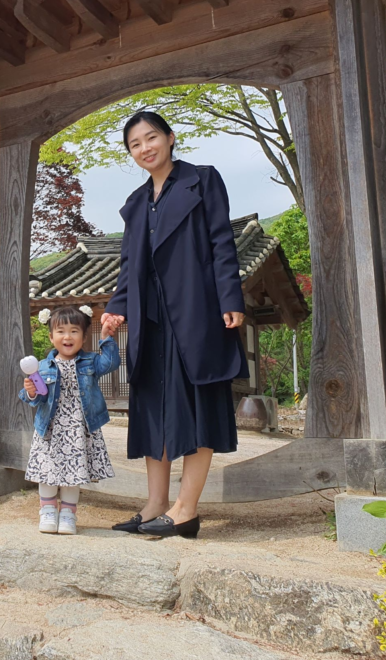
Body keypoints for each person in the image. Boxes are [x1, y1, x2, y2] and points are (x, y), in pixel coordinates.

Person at [101, 111, 247, 540]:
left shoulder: (201, 180)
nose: (145, 148)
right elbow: (130, 266)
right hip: (151, 320)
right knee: (153, 409)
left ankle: (186, 509)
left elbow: (222, 240)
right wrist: (116, 307)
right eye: (135, 144)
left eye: (151, 138)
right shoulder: (135, 203)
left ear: (169, 137)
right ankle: (155, 504)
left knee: (196, 407)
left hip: (198, 310)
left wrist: (230, 297)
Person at [20, 305, 121, 535]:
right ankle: (47, 511)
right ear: (51, 336)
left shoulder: (90, 362)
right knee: (47, 472)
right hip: (50, 430)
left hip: (78, 428)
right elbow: (34, 400)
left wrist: (105, 338)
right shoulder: (42, 366)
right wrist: (31, 391)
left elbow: (111, 363)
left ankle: (68, 515)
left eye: (74, 331)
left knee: (72, 474)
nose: (67, 336)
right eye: (61, 331)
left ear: (84, 337)